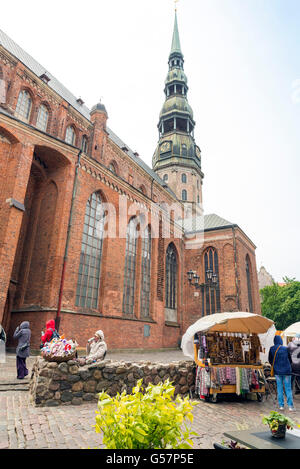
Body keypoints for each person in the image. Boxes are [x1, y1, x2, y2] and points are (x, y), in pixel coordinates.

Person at [268, 335, 295, 411]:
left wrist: (276, 365)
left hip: (277, 371)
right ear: (281, 340)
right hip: (287, 371)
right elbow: (290, 360)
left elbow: (270, 360)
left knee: (279, 388)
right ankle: (290, 406)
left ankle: (281, 406)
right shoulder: (286, 348)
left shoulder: (272, 349)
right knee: (288, 388)